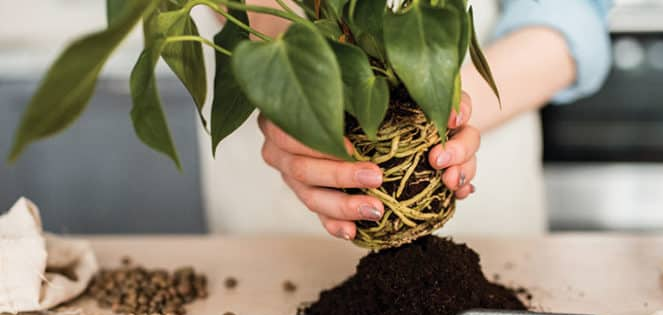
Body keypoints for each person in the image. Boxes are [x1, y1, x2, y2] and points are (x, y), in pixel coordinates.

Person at [196, 0, 613, 239]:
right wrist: (295, 90)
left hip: (490, 166)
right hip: (266, 231)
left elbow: (570, 12)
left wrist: (442, 117)